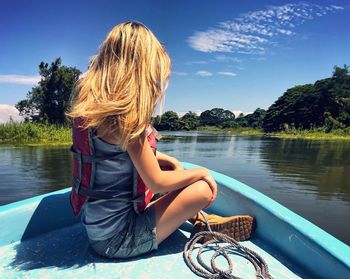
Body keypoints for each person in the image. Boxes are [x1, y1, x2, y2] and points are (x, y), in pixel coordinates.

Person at [65, 20, 254, 259]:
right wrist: (202, 171)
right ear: (142, 71)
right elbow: (157, 183)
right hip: (120, 241)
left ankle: (196, 219)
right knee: (203, 188)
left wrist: (171, 161)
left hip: (97, 230)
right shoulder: (127, 119)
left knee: (170, 166)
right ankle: (197, 219)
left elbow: (117, 155)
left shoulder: (95, 112)